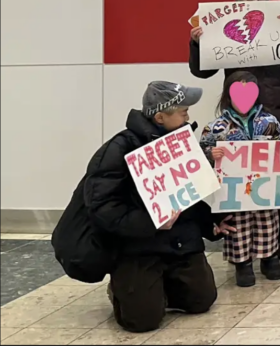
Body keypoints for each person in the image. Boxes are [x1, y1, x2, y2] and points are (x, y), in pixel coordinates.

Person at [83, 81, 234, 333]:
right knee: (141, 321)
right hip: (138, 246)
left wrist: (211, 223)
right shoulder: (118, 149)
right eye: (182, 111)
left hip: (180, 243)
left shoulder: (184, 145)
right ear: (160, 116)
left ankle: (162, 286)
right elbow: (102, 207)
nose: (188, 115)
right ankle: (122, 288)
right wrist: (150, 221)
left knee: (201, 301)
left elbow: (189, 196)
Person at [188, 0, 280, 258]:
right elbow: (202, 71)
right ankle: (243, 246)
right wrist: (198, 44)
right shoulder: (222, 28)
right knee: (240, 180)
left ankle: (274, 241)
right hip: (239, 117)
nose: (256, 1)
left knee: (277, 182)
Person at [200, 71, 280, 287]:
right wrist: (210, 154)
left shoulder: (270, 121)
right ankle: (243, 263)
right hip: (233, 190)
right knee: (238, 223)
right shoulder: (216, 127)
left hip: (264, 185)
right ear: (228, 96)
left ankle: (269, 257)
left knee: (268, 220)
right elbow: (200, 154)